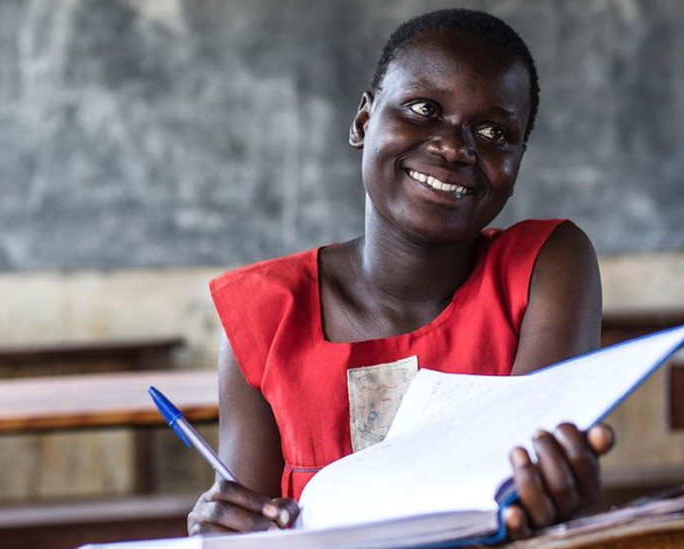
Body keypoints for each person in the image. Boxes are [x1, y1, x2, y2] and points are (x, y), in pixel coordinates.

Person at [188, 8, 611, 540]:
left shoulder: (543, 268)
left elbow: (533, 493)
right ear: (364, 122)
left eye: (494, 131)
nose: (456, 147)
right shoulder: (264, 314)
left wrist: (557, 492)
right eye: (422, 109)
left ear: (518, 161)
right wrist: (225, 529)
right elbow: (250, 526)